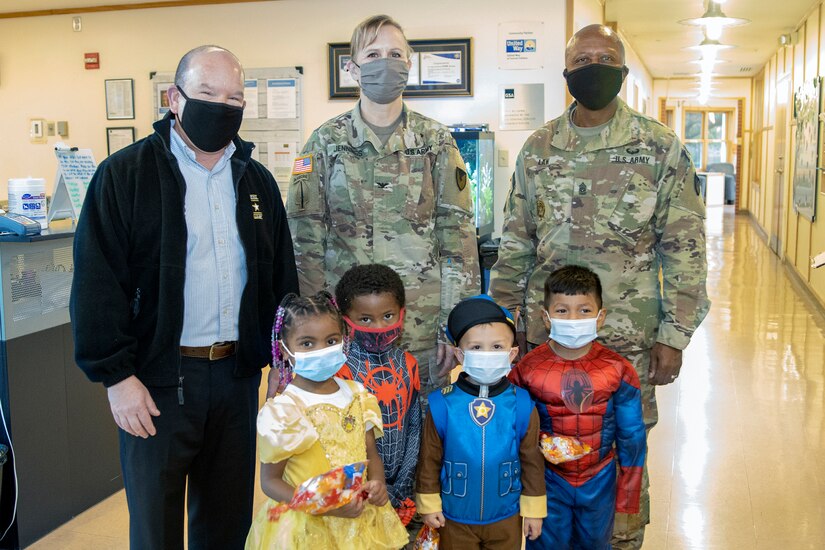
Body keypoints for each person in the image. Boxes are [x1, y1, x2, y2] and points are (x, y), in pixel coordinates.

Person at [488, 24, 710, 548]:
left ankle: (621, 541)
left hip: (626, 341)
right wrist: (503, 324)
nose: (593, 65)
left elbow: (685, 247)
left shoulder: (657, 147)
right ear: (567, 72)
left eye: (605, 56)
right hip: (548, 341)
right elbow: (516, 241)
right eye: (582, 58)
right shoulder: (539, 148)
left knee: (623, 450)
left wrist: (673, 336)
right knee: (541, 446)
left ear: (623, 68)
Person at [70, 45, 299, 549]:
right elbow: (96, 284)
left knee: (226, 523)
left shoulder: (257, 180)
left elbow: (281, 280)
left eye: (234, 97)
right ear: (174, 98)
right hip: (155, 382)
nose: (223, 106)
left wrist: (283, 364)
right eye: (208, 93)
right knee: (155, 529)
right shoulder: (124, 176)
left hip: (237, 378)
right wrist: (117, 378)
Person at [287, 14, 480, 402]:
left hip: (421, 324)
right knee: (350, 431)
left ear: (408, 64)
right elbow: (304, 240)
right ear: (353, 68)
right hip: (346, 324)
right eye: (373, 53)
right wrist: (312, 327)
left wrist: (454, 326)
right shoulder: (325, 142)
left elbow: (457, 237)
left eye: (395, 53)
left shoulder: (436, 141)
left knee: (422, 436)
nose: (385, 62)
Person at [246, 292, 409, 549]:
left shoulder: (358, 394)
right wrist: (324, 507)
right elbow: (270, 483)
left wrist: (377, 482)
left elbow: (371, 455)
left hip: (359, 521)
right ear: (285, 351)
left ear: (343, 340)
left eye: (331, 340)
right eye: (307, 343)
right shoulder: (284, 411)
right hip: (307, 527)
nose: (321, 350)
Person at [510, 265, 646, 549]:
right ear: (546, 318)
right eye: (562, 311)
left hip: (600, 479)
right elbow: (513, 432)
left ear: (600, 317)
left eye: (584, 311)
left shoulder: (619, 369)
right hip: (547, 480)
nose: (573, 319)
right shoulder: (527, 370)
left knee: (596, 545)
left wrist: (628, 496)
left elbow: (632, 437)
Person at [415, 295, 546, 549]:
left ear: (513, 353)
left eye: (497, 347)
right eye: (476, 348)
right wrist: (429, 503)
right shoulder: (442, 405)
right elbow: (429, 458)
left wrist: (533, 509)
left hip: (506, 515)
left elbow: (532, 460)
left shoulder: (521, 404)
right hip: (454, 515)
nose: (487, 354)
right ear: (460, 354)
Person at [334, 264, 421, 529]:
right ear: (344, 319)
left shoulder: (408, 364)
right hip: (356, 495)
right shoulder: (339, 371)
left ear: (402, 315)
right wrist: (366, 488)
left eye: (388, 316)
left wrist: (402, 486)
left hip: (400, 490)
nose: (379, 327)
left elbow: (414, 427)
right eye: (366, 319)